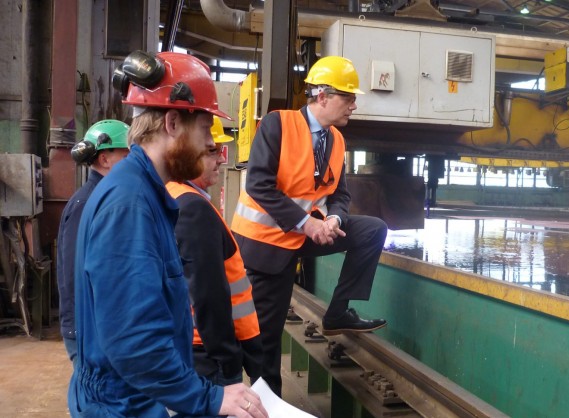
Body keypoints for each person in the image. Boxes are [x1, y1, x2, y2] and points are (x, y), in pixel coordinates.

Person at [69, 50, 267, 418]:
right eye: (206, 130)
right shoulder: (130, 203)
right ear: (172, 123)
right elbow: (133, 340)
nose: (212, 145)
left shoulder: (146, 193)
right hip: (124, 404)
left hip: (134, 395)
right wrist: (210, 397)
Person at [230, 56, 388, 396]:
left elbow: (340, 195)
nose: (354, 105)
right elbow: (259, 185)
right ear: (322, 96)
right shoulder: (278, 125)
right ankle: (268, 403)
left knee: (373, 230)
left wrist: (333, 219)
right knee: (266, 338)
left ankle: (338, 311)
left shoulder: (338, 141)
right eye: (348, 98)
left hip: (304, 236)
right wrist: (306, 223)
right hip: (265, 244)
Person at [167, 116, 263, 387]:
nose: (222, 158)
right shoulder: (193, 208)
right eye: (212, 151)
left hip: (192, 344)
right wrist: (229, 358)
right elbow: (208, 294)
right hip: (206, 355)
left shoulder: (172, 195)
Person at [57, 119, 130, 364]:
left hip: (102, 328)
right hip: (88, 331)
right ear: (104, 159)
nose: (133, 162)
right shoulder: (86, 204)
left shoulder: (106, 199)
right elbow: (73, 275)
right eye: (126, 154)